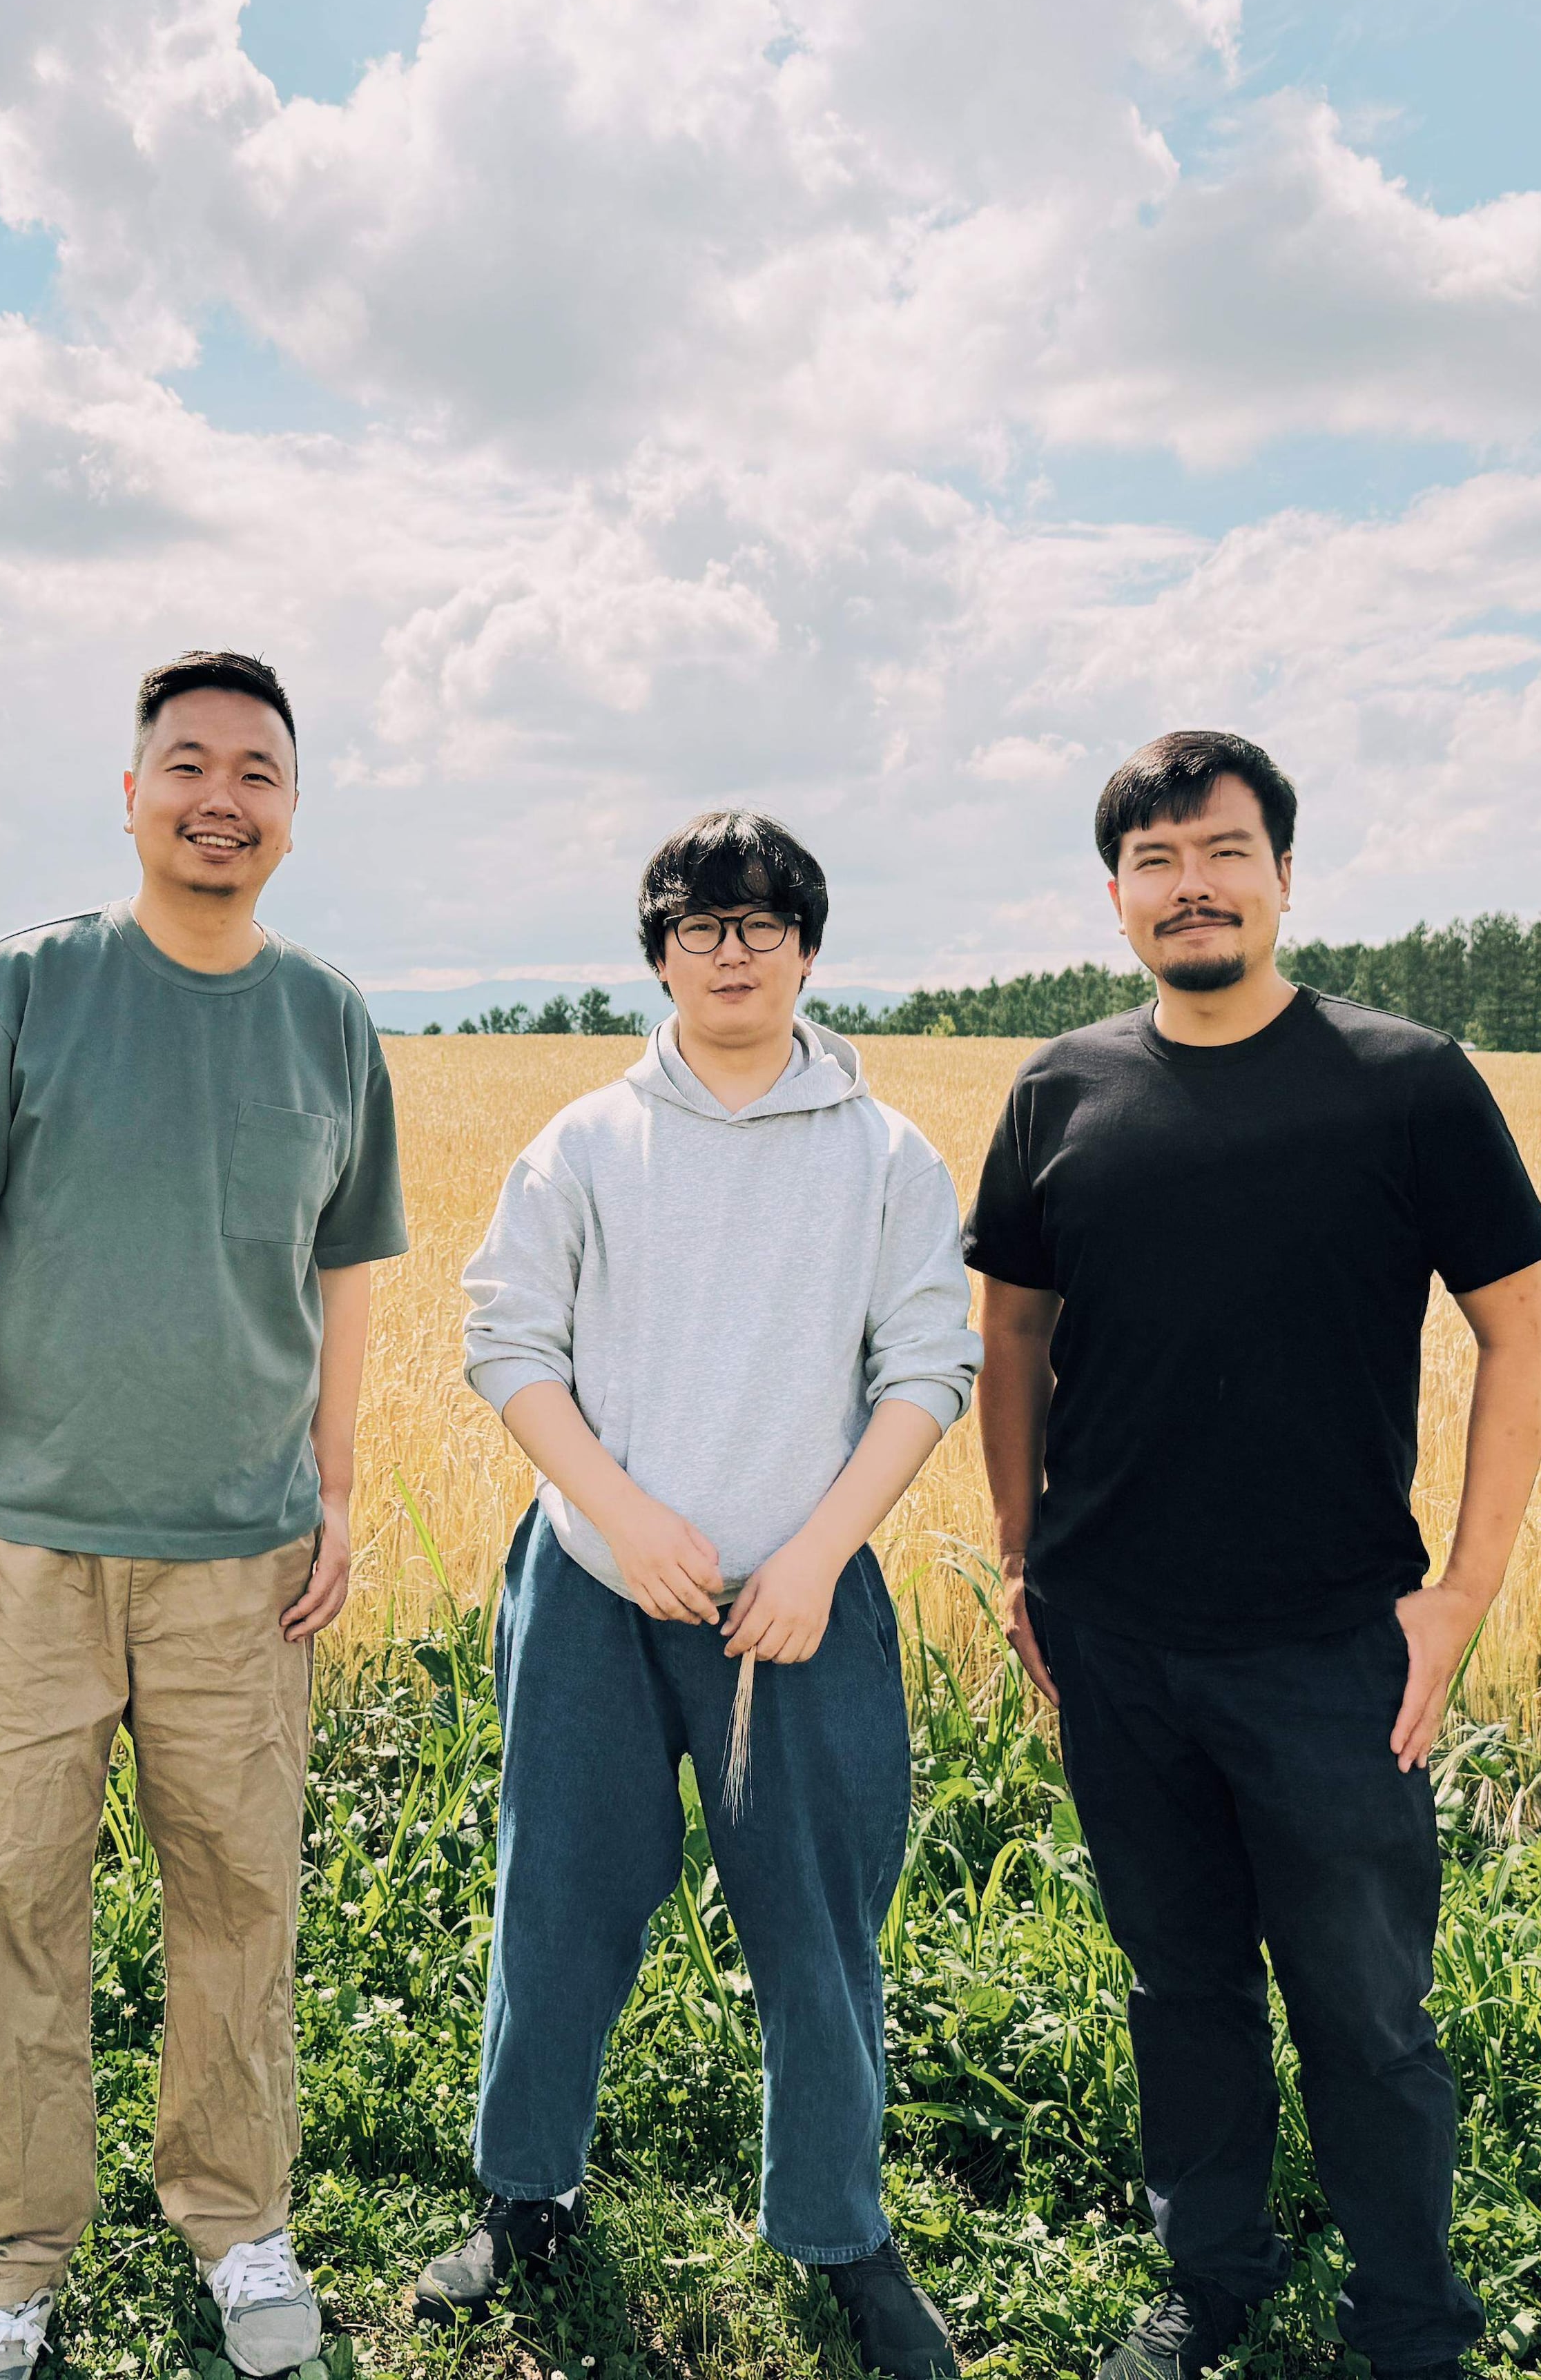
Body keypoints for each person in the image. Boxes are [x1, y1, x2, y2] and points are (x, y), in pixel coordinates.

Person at [968, 732, 1541, 2380]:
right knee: (1180, 1988)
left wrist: (1462, 1593)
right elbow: (1010, 1336)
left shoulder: (1405, 1083)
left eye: (1224, 853)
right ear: (1114, 897)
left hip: (1332, 1649)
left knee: (1365, 2011)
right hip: (1116, 1637)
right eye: (1154, 863)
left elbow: (1521, 1331)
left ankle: (1410, 2322)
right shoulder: (1059, 1092)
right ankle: (1209, 2279)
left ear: (1284, 877)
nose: (1192, 887)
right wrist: (1020, 1557)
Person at [0, 652, 407, 2380]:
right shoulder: (21, 992)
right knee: (2, 1910)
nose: (219, 798)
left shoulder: (328, 1019)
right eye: (187, 764)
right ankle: (4, 2267)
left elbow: (343, 1276)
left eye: (257, 772)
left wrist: (337, 1491)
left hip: (243, 1568)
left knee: (241, 1905)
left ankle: (237, 2225)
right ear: (129, 796)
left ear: (292, 813)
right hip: (16, 1558)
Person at [420, 810, 980, 2380]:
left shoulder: (885, 1156)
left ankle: (841, 2231)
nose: (730, 951)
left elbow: (925, 1368)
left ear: (808, 948)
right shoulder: (585, 1143)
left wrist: (815, 1554)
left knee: (820, 1920)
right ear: (658, 955)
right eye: (697, 925)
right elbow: (507, 1342)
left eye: (760, 924)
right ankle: (526, 2194)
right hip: (596, 1589)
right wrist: (619, 1513)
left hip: (801, 1600)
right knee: (559, 1894)